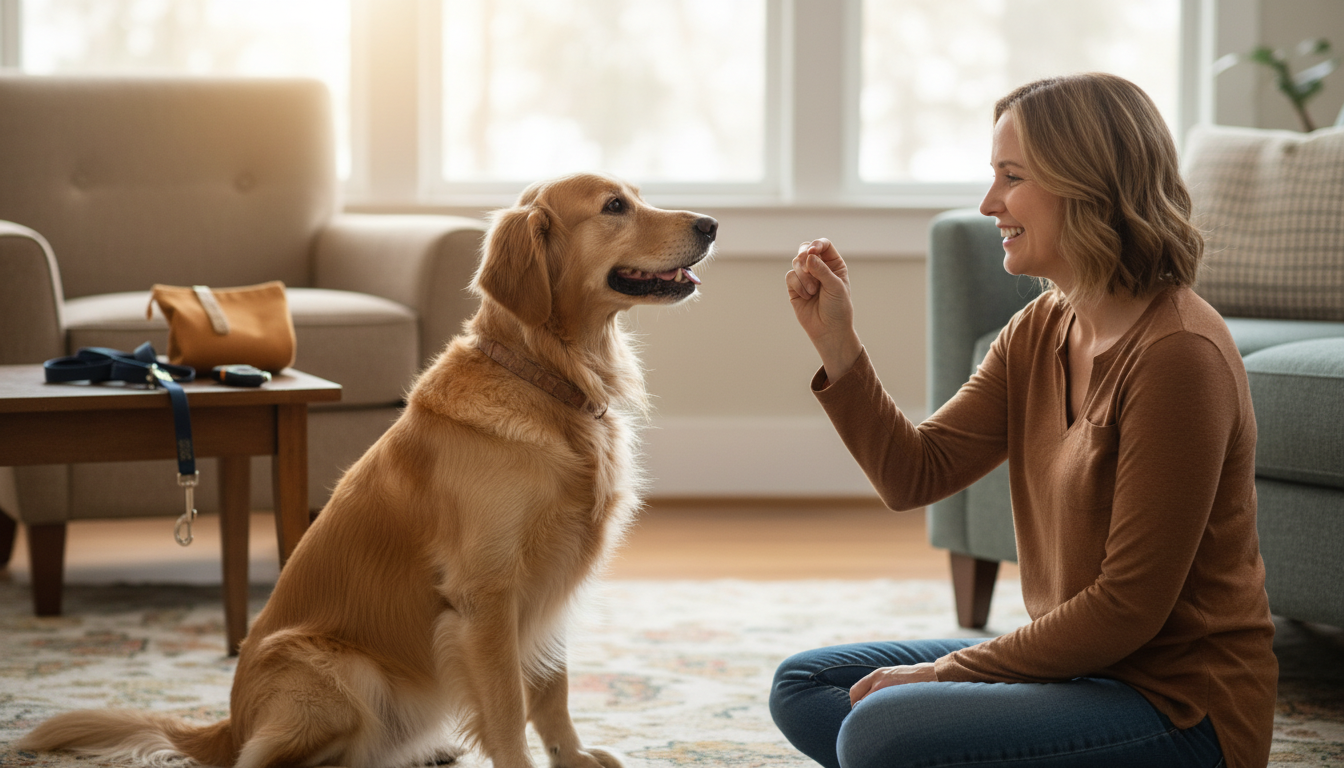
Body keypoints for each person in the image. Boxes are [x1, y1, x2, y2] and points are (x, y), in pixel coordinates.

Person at [772, 73, 1277, 768]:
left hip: (1178, 710)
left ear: (1086, 182)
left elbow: (1126, 610)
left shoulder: (1178, 357)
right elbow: (913, 473)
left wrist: (942, 676)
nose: (989, 204)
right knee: (808, 686)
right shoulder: (1041, 325)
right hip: (1079, 672)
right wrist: (837, 341)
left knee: (878, 732)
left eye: (1012, 177)